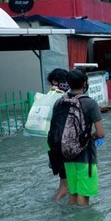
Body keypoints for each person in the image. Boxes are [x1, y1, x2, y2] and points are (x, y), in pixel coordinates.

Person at [54, 69, 106, 207]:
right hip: (86, 156)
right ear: (84, 83)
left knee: (73, 192)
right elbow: (100, 133)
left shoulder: (59, 102)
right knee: (84, 195)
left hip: (66, 155)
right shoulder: (90, 103)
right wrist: (92, 137)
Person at [46, 68, 70, 201]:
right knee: (64, 185)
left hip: (53, 143)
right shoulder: (57, 97)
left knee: (65, 181)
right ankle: (55, 206)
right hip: (62, 144)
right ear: (56, 81)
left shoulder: (48, 98)